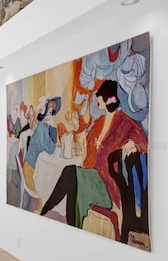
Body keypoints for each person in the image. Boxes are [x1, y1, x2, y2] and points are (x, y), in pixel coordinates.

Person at [40, 79, 148, 229]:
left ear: (110, 99)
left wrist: (133, 143)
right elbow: (87, 139)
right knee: (73, 180)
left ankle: (46, 210)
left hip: (106, 184)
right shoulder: (100, 121)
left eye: (100, 97)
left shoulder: (125, 122)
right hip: (91, 176)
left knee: (71, 173)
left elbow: (142, 140)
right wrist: (82, 136)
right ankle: (66, 222)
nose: (97, 99)